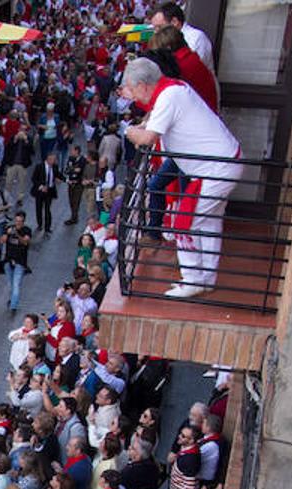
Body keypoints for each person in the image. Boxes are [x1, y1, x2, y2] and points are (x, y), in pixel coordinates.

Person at [122, 57, 242, 298]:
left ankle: (194, 279)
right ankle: (205, 278)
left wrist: (128, 130)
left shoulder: (168, 96)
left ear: (144, 85)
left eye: (133, 90)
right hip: (218, 165)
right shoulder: (172, 90)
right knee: (207, 223)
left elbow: (147, 139)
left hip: (215, 168)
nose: (133, 96)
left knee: (182, 224)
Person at [150, 1, 215, 71]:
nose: (156, 32)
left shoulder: (196, 38)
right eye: (154, 28)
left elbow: (190, 68)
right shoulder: (161, 40)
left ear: (174, 22)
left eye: (159, 27)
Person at [30, 152, 60, 235]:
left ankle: (47, 227)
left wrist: (61, 179)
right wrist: (41, 186)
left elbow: (58, 175)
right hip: (40, 191)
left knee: (47, 209)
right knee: (39, 208)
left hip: (49, 191)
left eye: (54, 159)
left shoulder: (55, 167)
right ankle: (40, 224)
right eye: (53, 159)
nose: (54, 161)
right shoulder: (39, 167)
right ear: (48, 159)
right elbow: (33, 179)